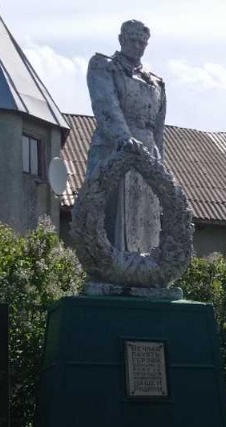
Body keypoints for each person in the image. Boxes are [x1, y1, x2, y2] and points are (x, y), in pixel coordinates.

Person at [85, 19, 167, 254]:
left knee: (144, 222)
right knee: (111, 223)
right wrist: (124, 139)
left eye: (143, 43)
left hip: (147, 156)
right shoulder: (104, 67)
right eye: (132, 40)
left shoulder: (156, 83)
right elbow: (106, 105)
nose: (137, 46)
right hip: (114, 148)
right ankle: (111, 263)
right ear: (121, 39)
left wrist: (159, 167)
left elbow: (158, 129)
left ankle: (145, 264)